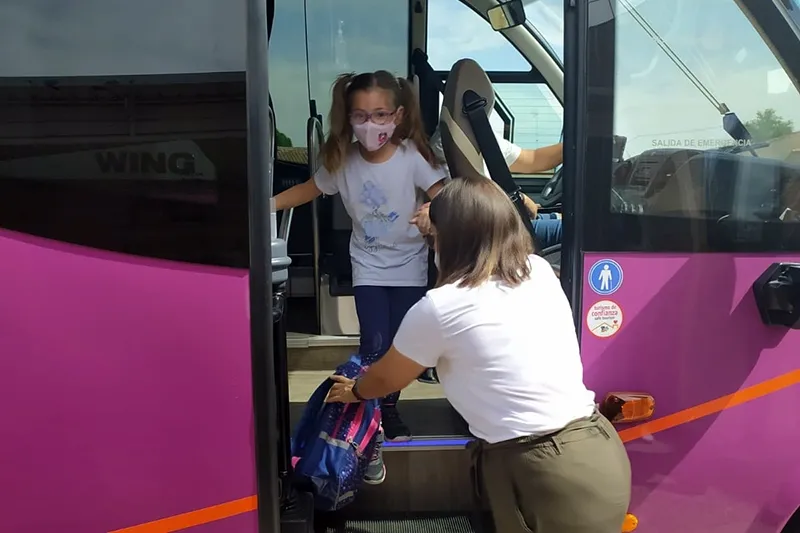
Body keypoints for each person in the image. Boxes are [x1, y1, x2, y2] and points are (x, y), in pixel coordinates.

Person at [326, 175, 632, 533]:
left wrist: (355, 390)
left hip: (541, 473)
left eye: (434, 236)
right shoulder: (539, 271)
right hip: (597, 451)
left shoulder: (441, 307)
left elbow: (386, 378)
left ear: (449, 239)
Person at [273, 71, 446, 455]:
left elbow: (444, 195)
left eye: (381, 114)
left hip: (410, 266)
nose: (371, 125)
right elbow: (308, 190)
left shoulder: (412, 157)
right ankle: (370, 412)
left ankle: (388, 406)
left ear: (398, 115)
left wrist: (432, 210)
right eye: (361, 116)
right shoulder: (343, 161)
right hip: (368, 265)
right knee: (374, 341)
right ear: (348, 118)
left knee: (401, 342)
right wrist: (267, 205)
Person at [427, 127, 564, 248]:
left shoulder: (477, 129)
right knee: (575, 231)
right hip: (493, 230)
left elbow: (532, 159)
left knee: (558, 219)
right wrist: (519, 199)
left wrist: (576, 142)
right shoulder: (448, 141)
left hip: (502, 217)